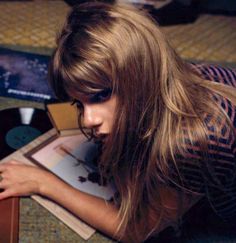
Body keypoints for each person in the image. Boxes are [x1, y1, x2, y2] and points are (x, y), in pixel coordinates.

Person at [0, 2, 236, 242]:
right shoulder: (165, 74)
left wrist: (44, 183)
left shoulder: (192, 142)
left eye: (102, 95)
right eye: (80, 105)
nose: (88, 119)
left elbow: (136, 230)